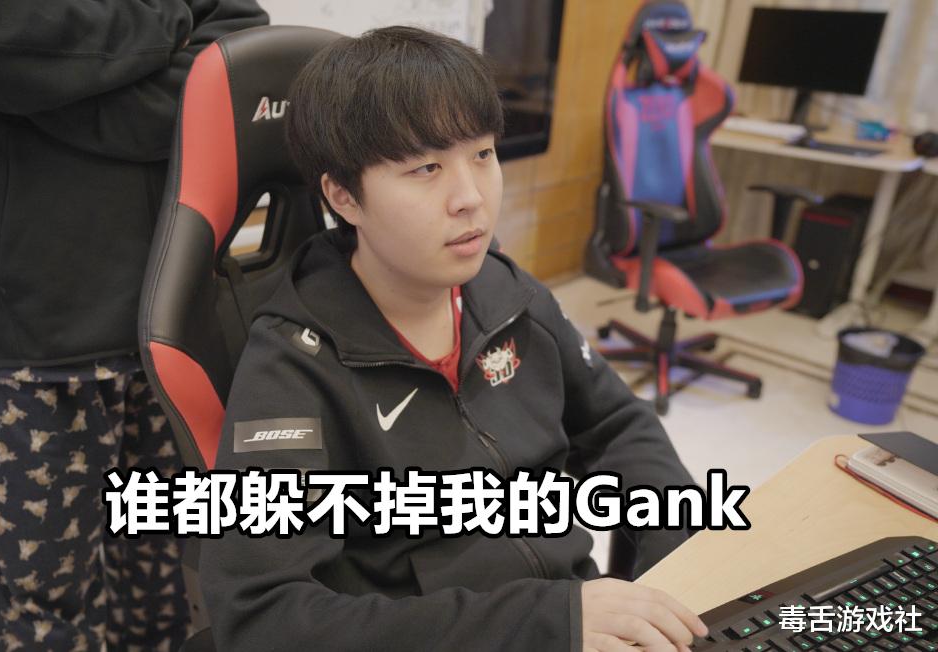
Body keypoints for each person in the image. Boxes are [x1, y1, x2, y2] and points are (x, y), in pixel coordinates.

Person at [201, 26, 708, 651]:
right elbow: (261, 616)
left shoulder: (506, 293)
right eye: (426, 168)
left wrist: (679, 561)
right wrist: (544, 623)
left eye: (483, 154)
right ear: (343, 196)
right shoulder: (292, 366)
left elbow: (618, 425)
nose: (471, 198)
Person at [0, 1, 268, 649]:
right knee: (43, 612)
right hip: (25, 336)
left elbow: (239, 42)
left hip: (169, 316)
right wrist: (164, 17)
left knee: (166, 588)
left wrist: (48, 93)